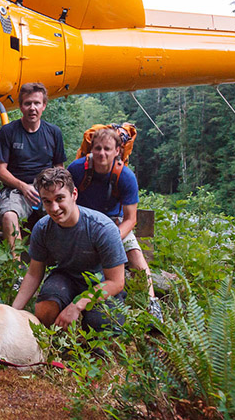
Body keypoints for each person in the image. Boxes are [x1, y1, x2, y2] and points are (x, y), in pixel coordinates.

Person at [11, 167, 127, 332]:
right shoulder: (42, 228)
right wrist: (13, 311)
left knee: (102, 326)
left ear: (74, 195)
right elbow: (33, 273)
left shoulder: (102, 228)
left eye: (60, 198)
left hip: (100, 282)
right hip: (66, 277)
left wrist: (77, 305)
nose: (54, 208)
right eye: (47, 201)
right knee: (44, 311)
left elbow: (116, 282)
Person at [67, 128, 163, 321]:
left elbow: (131, 219)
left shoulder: (125, 176)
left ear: (117, 151)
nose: (102, 153)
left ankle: (152, 302)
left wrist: (111, 239)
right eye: (98, 148)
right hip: (82, 220)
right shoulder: (77, 170)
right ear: (91, 150)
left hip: (113, 224)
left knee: (135, 254)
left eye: (107, 149)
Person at [0, 82, 66, 251]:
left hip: (47, 188)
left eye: (37, 103)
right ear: (20, 106)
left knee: (63, 214)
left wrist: (58, 190)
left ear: (44, 106)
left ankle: (59, 266)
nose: (32, 108)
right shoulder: (8, 132)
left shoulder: (53, 132)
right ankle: (15, 270)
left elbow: (59, 168)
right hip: (17, 189)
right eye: (28, 103)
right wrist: (23, 187)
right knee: (10, 216)